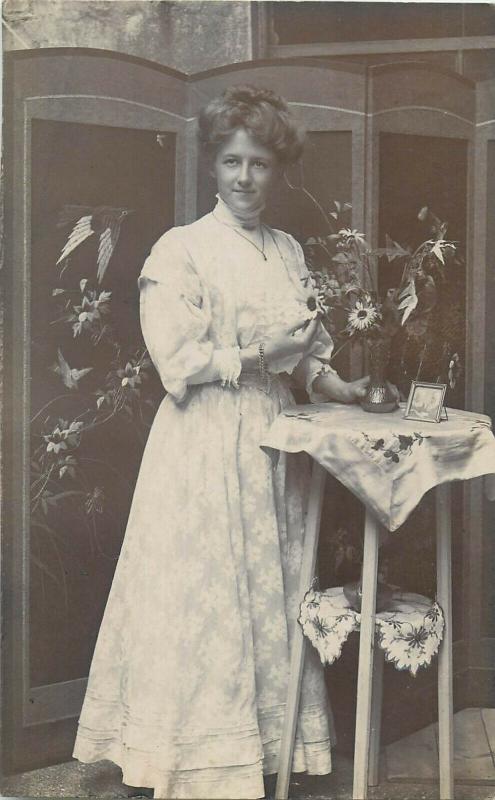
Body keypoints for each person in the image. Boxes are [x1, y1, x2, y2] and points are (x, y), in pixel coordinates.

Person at [72, 85, 369, 800]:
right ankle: (190, 757)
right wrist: (259, 353)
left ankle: (265, 749)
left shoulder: (287, 251)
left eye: (259, 164)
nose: (244, 177)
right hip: (204, 443)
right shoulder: (182, 251)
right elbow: (178, 360)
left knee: (267, 591)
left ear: (278, 169)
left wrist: (338, 387)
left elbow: (306, 353)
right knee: (204, 594)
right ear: (212, 164)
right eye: (232, 161)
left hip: (274, 443)